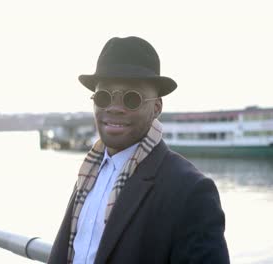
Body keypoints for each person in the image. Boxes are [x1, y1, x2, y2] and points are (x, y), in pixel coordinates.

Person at [48, 36, 229, 264]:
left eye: (131, 99)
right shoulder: (88, 173)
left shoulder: (191, 191)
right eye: (104, 97)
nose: (114, 107)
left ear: (156, 107)